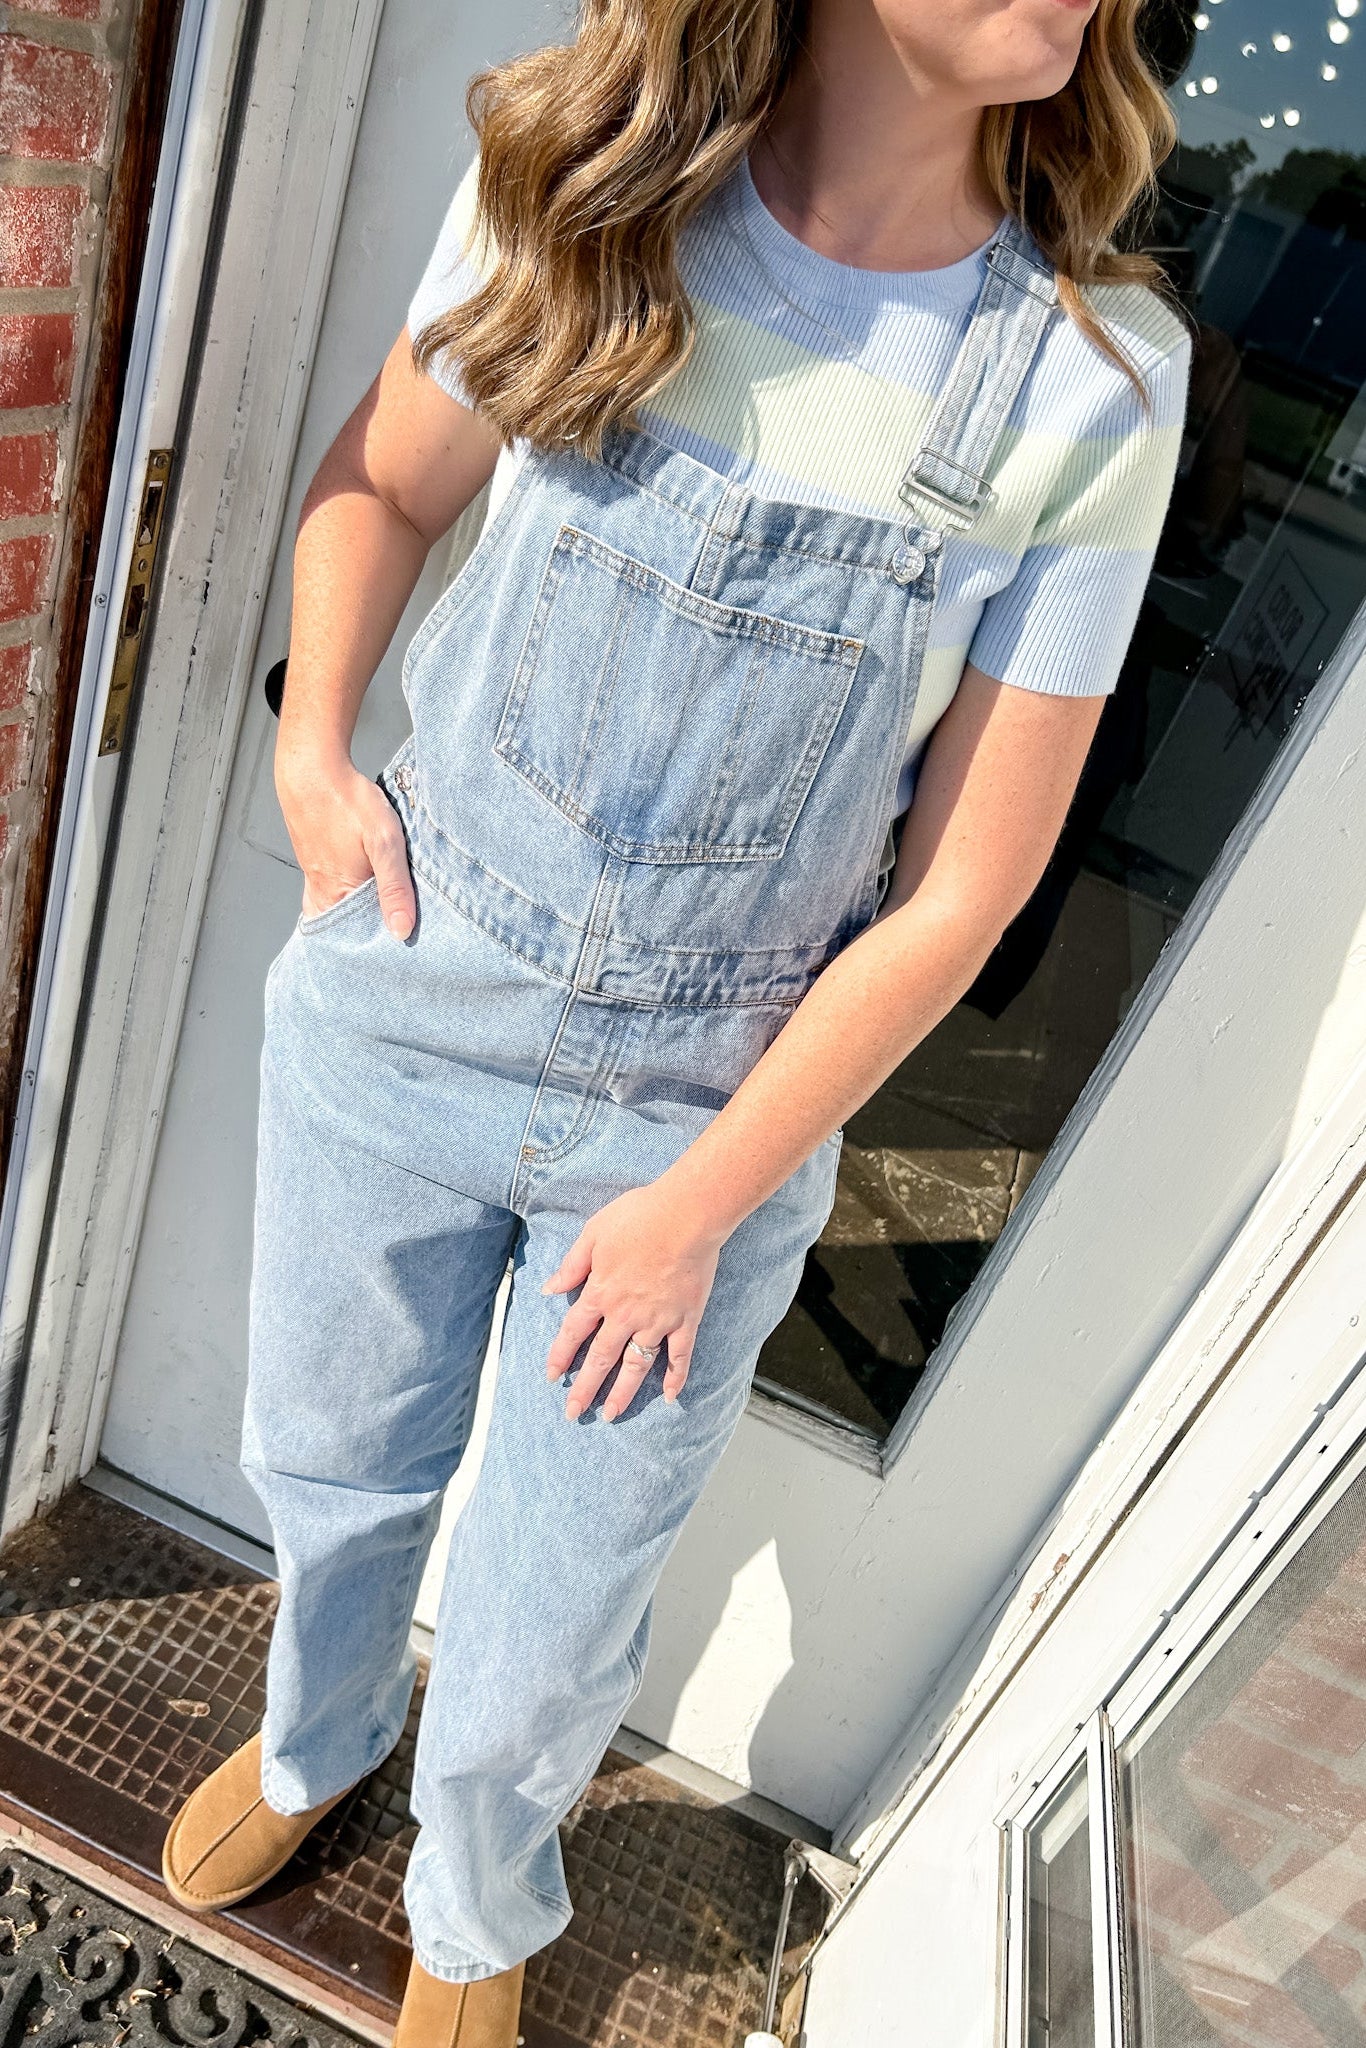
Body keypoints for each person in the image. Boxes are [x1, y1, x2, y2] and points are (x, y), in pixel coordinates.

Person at [161, 1, 1191, 2041]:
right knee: (327, 1463)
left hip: (700, 1119)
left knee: (553, 1609)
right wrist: (312, 755)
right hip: (410, 988)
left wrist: (700, 1198)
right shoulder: (587, 203)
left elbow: (961, 891)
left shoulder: (1091, 383)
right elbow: (381, 483)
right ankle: (312, 1738)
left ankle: (472, 1909)